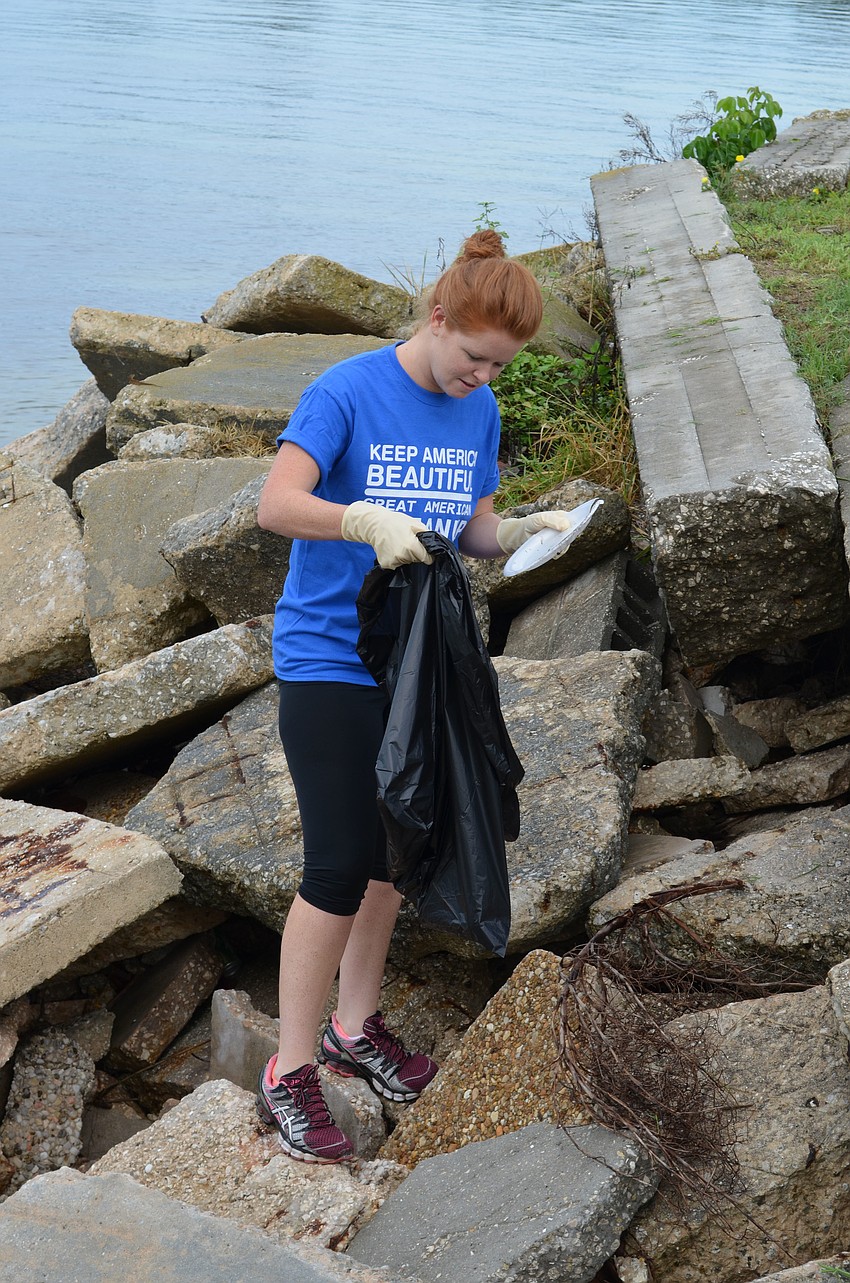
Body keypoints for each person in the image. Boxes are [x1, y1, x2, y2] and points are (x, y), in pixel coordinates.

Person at [255, 228, 576, 1163]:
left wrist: (524, 529)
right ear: (438, 319)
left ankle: (356, 1029)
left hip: (417, 666)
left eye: (499, 365)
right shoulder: (348, 392)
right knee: (339, 863)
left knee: (400, 849)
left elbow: (469, 530)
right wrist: (359, 518)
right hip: (328, 660)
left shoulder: (478, 412)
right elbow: (276, 503)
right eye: (474, 356)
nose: (483, 377)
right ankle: (290, 1069)